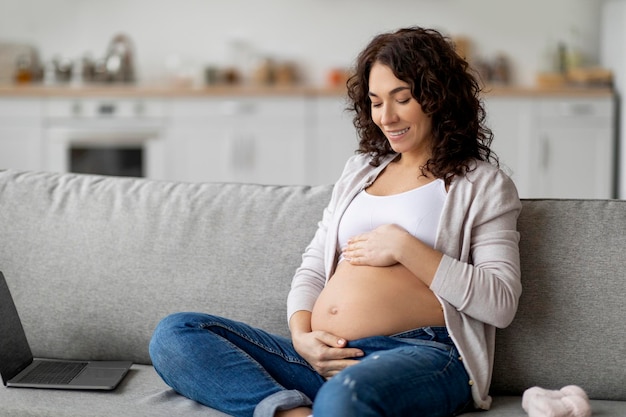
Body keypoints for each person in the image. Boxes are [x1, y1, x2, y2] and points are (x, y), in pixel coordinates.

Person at [149, 26, 522, 417]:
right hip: (324, 360)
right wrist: (303, 336)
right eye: (376, 102)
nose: (387, 117)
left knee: (344, 397)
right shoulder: (360, 170)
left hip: (423, 355)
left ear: (437, 98)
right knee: (176, 334)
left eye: (402, 99)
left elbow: (500, 302)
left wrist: (403, 247)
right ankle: (293, 413)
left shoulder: (482, 184)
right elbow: (312, 267)